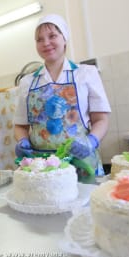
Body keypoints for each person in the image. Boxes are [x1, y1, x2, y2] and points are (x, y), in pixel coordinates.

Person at [13, 14, 111, 183]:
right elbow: (20, 125)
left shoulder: (85, 73)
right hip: (42, 166)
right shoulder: (26, 82)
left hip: (81, 163)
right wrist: (22, 140)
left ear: (64, 38)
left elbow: (101, 119)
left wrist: (91, 141)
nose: (46, 43)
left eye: (52, 36)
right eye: (39, 39)